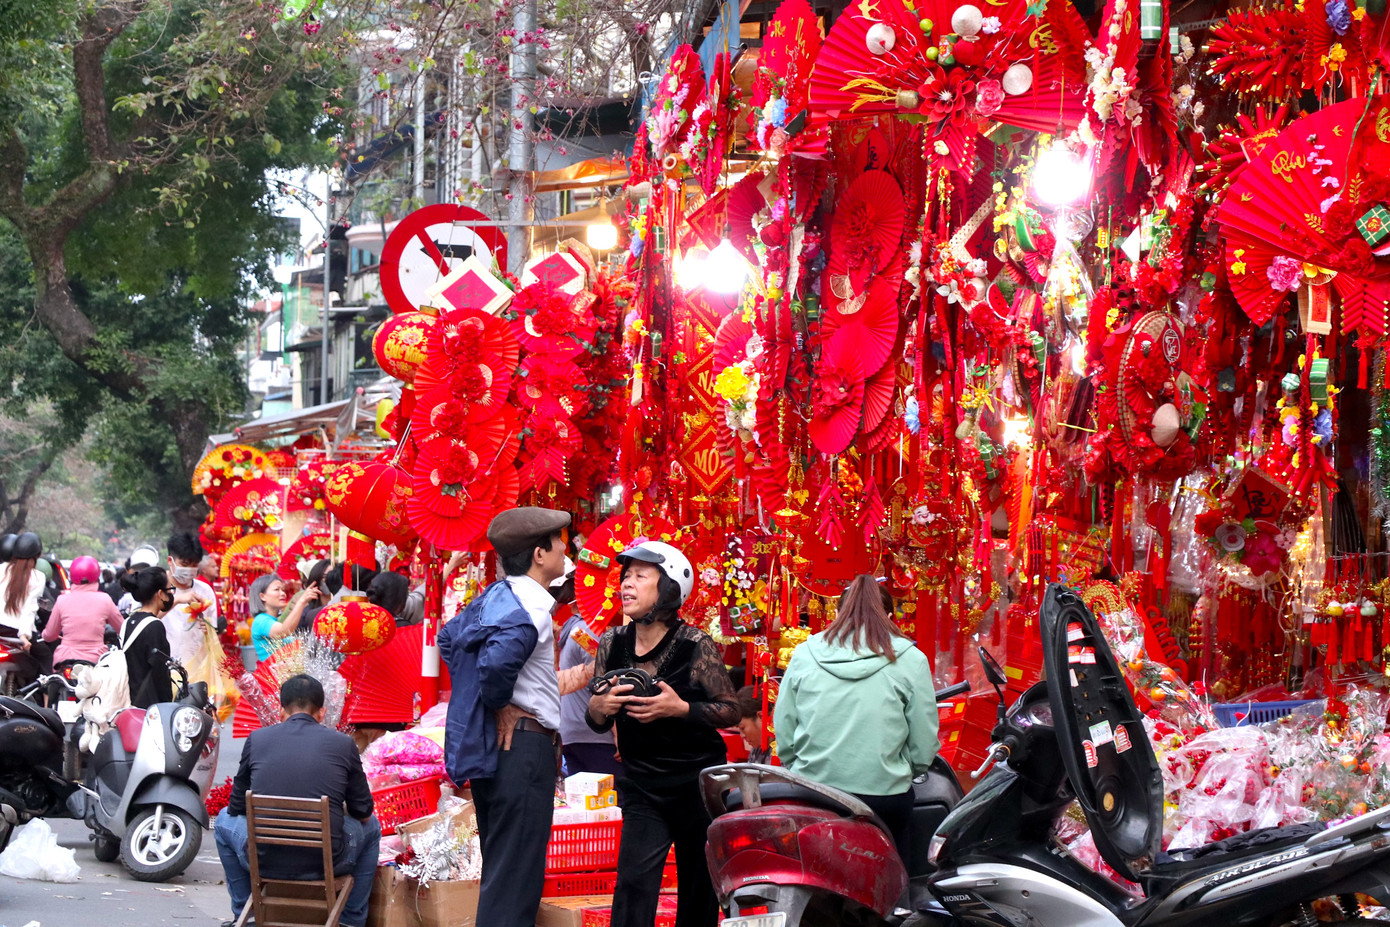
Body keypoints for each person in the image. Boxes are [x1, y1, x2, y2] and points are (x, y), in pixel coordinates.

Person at [586, 540, 739, 927]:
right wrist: (598, 709)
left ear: (669, 588)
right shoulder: (611, 642)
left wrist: (681, 708)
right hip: (642, 785)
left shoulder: (695, 644)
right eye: (625, 575)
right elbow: (599, 718)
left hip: (697, 785)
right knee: (634, 886)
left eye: (640, 575)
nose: (626, 583)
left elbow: (730, 709)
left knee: (698, 890)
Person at [438, 507, 571, 927]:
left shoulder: (497, 595)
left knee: (503, 870)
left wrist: (490, 699)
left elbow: (448, 638)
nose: (565, 547)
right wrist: (497, 702)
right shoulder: (530, 609)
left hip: (505, 751)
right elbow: (495, 668)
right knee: (515, 878)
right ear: (538, 554)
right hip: (523, 749)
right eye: (559, 541)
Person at [774, 573, 940, 864]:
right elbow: (923, 741)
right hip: (883, 797)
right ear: (889, 617)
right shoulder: (911, 659)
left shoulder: (804, 654)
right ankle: (898, 906)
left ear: (838, 614)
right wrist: (904, 770)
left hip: (813, 792)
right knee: (895, 864)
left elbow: (784, 728)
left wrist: (798, 766)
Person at [213, 674, 379, 927]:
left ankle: (245, 915)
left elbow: (236, 806)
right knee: (373, 827)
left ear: (281, 711)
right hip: (328, 863)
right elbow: (363, 811)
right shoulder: (343, 744)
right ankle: (351, 920)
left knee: (224, 820)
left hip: (262, 859)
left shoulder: (257, 739)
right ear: (322, 713)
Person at [554, 570, 615, 777]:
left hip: (573, 730)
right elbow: (603, 682)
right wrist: (618, 734)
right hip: (594, 734)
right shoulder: (586, 631)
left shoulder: (572, 629)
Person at [42, 555, 123, 668]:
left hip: (65, 660)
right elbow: (122, 628)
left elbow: (49, 635)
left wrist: (46, 635)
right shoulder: (105, 599)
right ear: (96, 576)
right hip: (96, 661)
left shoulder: (62, 600)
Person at [119, 567, 175, 709]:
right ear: (160, 594)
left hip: (128, 702)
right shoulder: (155, 626)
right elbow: (160, 672)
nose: (171, 593)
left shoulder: (128, 621)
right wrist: (168, 703)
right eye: (169, 589)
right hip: (147, 706)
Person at [164, 532, 221, 671]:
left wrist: (208, 628)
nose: (189, 569)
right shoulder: (157, 587)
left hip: (197, 667)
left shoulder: (205, 590)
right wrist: (176, 600)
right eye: (184, 564)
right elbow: (145, 618)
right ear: (170, 561)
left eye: (194, 564)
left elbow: (212, 628)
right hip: (165, 666)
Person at [247, 573, 321, 661]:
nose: (283, 593)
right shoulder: (260, 621)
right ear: (262, 596)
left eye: (282, 589)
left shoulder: (275, 621)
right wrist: (301, 601)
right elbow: (283, 631)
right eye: (276, 589)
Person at [5, 533, 51, 673]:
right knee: (46, 659)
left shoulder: (2, 570)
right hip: (16, 633)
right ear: (38, 555)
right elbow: (29, 608)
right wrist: (24, 636)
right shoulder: (38, 577)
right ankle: (47, 695)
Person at [735, 685, 771, 764]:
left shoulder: (784, 750)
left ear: (761, 717)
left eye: (743, 728)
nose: (742, 735)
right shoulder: (757, 748)